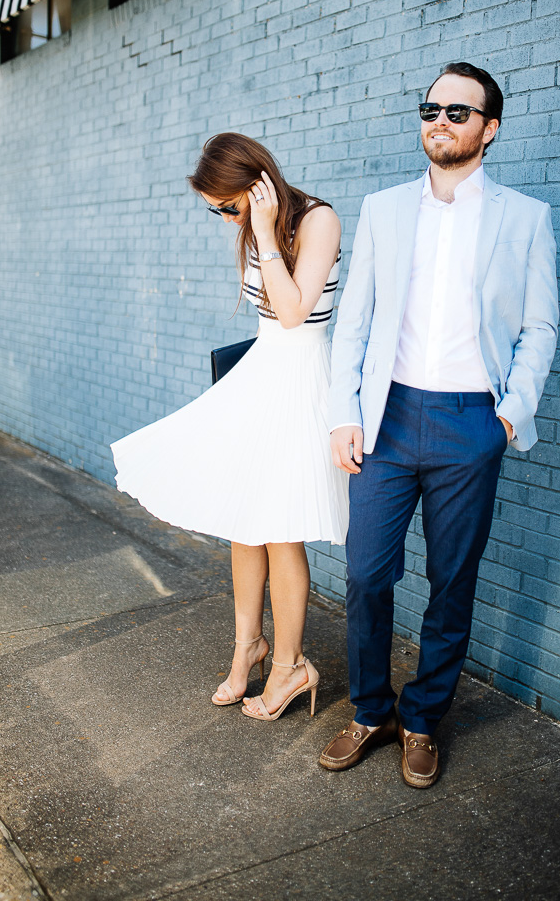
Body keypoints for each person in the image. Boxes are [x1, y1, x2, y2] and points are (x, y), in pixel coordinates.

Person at [319, 62, 558, 786]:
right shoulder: (385, 209)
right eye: (431, 109)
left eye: (459, 113)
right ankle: (369, 709)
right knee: (365, 575)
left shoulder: (525, 218)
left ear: (490, 129)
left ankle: (422, 719)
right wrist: (343, 414)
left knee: (453, 581)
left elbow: (541, 326)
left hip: (469, 423)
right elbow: (354, 320)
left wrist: (510, 417)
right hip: (385, 421)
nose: (441, 122)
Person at [111, 133, 348, 721]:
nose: (225, 216)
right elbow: (265, 313)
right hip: (261, 376)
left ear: (258, 183)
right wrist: (252, 230)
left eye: (228, 204)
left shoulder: (319, 221)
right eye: (217, 208)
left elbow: (293, 313)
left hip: (299, 380)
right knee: (245, 522)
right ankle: (250, 647)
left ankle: (292, 666)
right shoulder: (248, 227)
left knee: (280, 527)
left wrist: (266, 232)